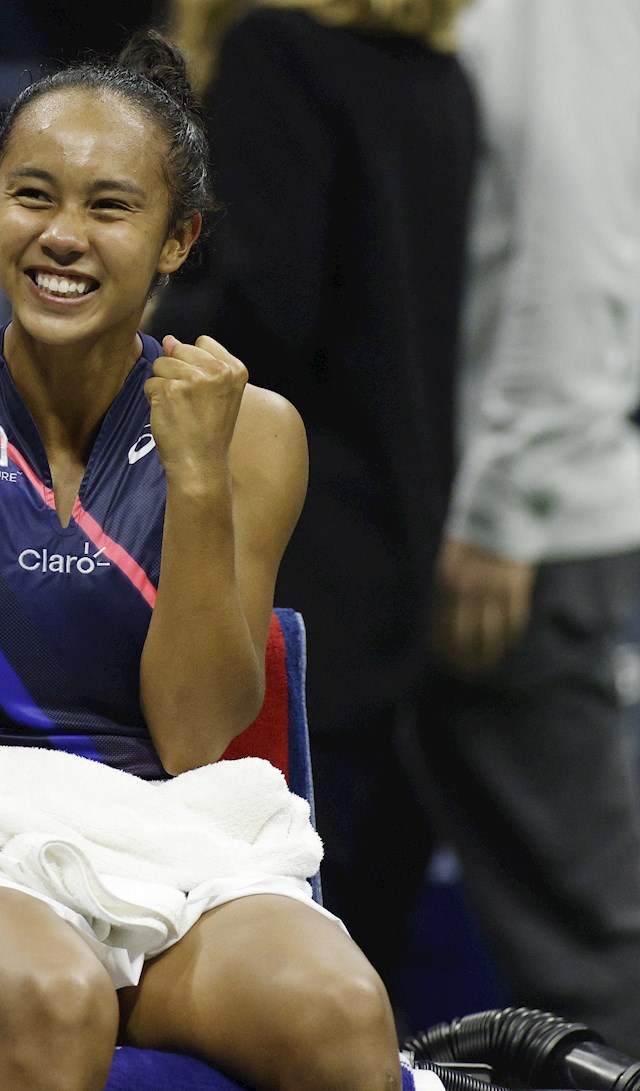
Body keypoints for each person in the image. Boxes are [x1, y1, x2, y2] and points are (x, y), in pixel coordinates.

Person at [0, 33, 400, 1091]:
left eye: (110, 207)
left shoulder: (248, 429)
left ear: (178, 240)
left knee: (341, 1012)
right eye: (32, 196)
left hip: (158, 828)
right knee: (55, 995)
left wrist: (200, 480)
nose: (61, 237)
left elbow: (193, 729)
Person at [150, 0, 478, 1001]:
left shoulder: (272, 53)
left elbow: (260, 311)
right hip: (396, 553)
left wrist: (139, 319)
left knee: (255, 946)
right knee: (355, 950)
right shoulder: (442, 81)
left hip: (283, 550)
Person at [411, 0, 640, 1054]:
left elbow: (579, 249)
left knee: (598, 956)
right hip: (447, 516)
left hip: (517, 541)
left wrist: (510, 508)